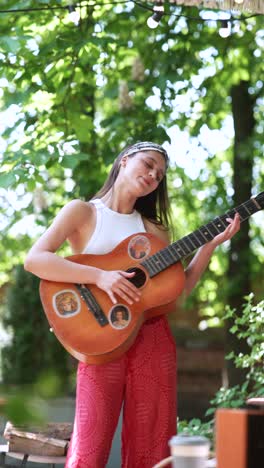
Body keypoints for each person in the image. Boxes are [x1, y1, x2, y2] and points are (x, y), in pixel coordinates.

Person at [24, 141, 240, 468]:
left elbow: (174, 295)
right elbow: (35, 259)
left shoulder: (153, 231)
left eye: (160, 174)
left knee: (153, 444)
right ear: (124, 160)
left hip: (151, 338)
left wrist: (208, 246)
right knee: (89, 446)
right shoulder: (82, 211)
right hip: (101, 340)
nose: (154, 175)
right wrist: (100, 277)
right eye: (149, 164)